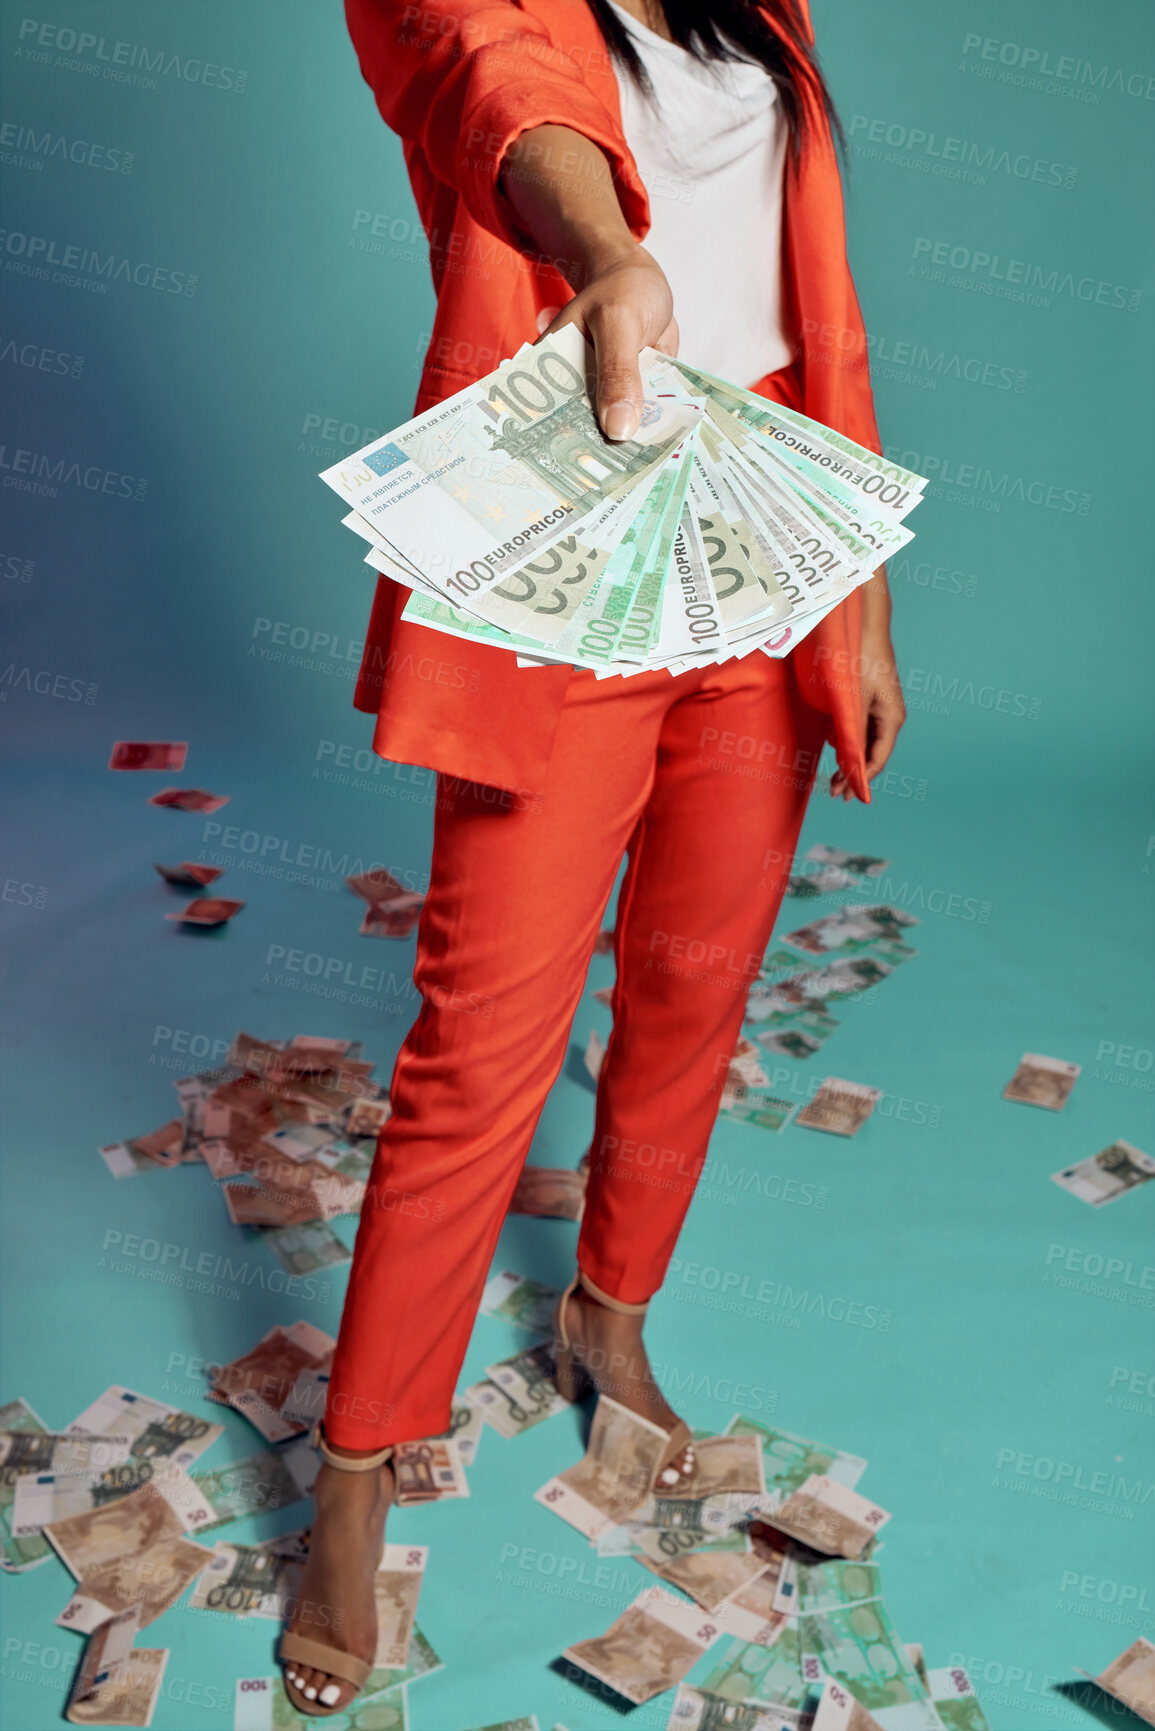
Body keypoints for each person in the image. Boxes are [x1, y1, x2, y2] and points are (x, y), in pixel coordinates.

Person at [279, 0, 906, 1712]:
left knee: (697, 988)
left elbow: (813, 300)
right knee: (483, 1041)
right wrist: (613, 257)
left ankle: (609, 1312)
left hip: (767, 521)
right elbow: (504, 94)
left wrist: (861, 599)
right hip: (568, 529)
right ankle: (354, 1468)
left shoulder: (757, 7)